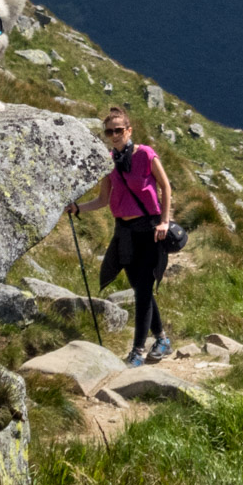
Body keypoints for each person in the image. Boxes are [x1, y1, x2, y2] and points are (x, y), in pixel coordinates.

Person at [67, 106, 175, 367]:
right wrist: (79, 208)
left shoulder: (146, 154)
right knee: (141, 288)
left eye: (118, 130)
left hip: (149, 229)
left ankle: (137, 351)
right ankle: (162, 339)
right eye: (109, 132)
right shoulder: (109, 161)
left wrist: (164, 221)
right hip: (124, 231)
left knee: (143, 290)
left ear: (129, 130)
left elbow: (166, 186)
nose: (114, 135)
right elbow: (104, 199)